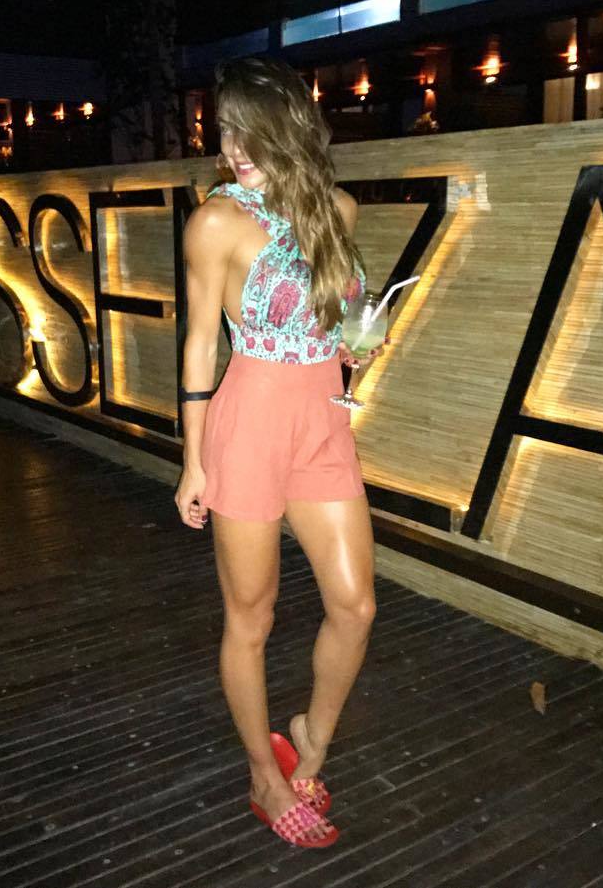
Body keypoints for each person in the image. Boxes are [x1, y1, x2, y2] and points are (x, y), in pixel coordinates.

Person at [174, 56, 384, 849]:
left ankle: (311, 742)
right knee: (251, 615)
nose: (232, 149)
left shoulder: (338, 209)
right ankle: (265, 775)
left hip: (322, 420)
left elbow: (341, 313)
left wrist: (357, 340)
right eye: (224, 131)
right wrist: (193, 461)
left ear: (290, 131)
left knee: (355, 605)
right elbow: (201, 345)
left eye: (248, 132)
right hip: (251, 422)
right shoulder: (216, 223)